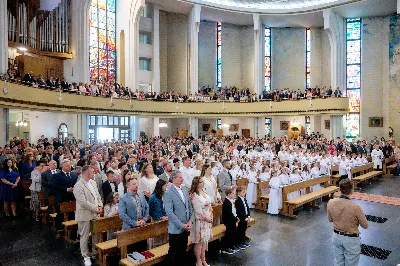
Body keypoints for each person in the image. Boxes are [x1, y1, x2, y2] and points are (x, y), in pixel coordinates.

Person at [327, 179, 368, 266]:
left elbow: (330, 219)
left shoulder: (331, 202)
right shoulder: (356, 207)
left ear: (339, 190)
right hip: (351, 238)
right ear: (352, 191)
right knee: (351, 263)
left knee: (338, 262)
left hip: (337, 236)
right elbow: (365, 225)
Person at [73, 165, 103, 266]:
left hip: (95, 213)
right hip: (85, 214)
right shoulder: (78, 185)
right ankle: (85, 256)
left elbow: (98, 196)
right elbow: (83, 202)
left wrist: (100, 205)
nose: (94, 172)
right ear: (86, 173)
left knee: (95, 234)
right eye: (92, 171)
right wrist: (96, 208)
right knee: (84, 236)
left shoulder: (93, 182)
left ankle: (94, 253)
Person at [164, 170, 193, 266]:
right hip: (176, 228)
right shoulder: (168, 192)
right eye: (180, 177)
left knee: (183, 250)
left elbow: (189, 207)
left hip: (186, 226)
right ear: (174, 179)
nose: (182, 179)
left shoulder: (184, 189)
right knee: (174, 252)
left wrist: (190, 221)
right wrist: (182, 225)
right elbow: (169, 212)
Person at [189, 176, 213, 266]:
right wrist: (207, 218)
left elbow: (209, 205)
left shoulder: (204, 192)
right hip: (200, 222)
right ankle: (198, 261)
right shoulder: (194, 195)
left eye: (203, 182)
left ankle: (204, 260)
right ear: (196, 184)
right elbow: (198, 212)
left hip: (207, 221)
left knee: (204, 242)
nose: (203, 183)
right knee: (199, 242)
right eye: (201, 182)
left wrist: (211, 215)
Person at [53, 159, 78, 236]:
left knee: (71, 215)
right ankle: (59, 231)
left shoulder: (74, 175)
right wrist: (66, 189)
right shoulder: (57, 176)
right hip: (62, 198)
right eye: (67, 166)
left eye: (70, 165)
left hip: (71, 199)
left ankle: (71, 230)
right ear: (62, 166)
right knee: (60, 215)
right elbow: (55, 186)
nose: (69, 167)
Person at [221, 188, 239, 255]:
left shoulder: (231, 201)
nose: (234, 194)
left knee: (232, 232)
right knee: (229, 233)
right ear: (229, 194)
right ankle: (225, 248)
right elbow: (229, 213)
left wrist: (236, 217)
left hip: (232, 220)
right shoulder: (226, 202)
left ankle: (231, 245)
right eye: (233, 193)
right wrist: (235, 219)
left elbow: (234, 211)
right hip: (228, 220)